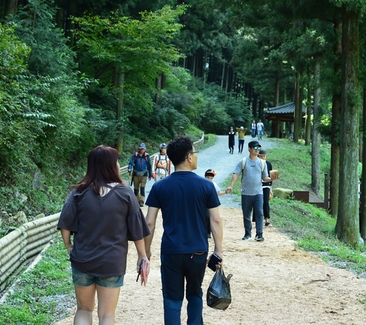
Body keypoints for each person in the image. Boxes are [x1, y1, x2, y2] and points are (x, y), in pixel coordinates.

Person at [57, 145, 151, 325]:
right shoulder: (125, 193)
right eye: (116, 161)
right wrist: (142, 256)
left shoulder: (79, 192)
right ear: (110, 165)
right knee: (107, 315)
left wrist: (68, 245)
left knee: (84, 309)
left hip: (82, 260)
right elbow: (137, 228)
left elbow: (65, 223)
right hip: (111, 262)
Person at [144, 136, 224, 325]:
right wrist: (218, 251)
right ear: (189, 157)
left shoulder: (159, 186)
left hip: (171, 251)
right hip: (197, 251)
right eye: (194, 154)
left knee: (172, 298)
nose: (196, 157)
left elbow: (149, 223)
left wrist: (146, 251)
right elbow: (216, 220)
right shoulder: (206, 186)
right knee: (195, 293)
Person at [226, 140, 274, 241]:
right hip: (246, 193)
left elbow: (265, 177)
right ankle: (247, 233)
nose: (257, 150)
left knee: (259, 213)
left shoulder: (262, 163)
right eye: (255, 148)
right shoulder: (243, 162)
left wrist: (271, 179)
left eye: (258, 148)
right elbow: (236, 173)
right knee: (246, 214)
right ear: (249, 149)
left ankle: (259, 234)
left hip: (258, 192)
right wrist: (231, 185)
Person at [258, 149, 273, 226]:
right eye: (261, 156)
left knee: (266, 202)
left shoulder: (268, 164)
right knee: (257, 203)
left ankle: (267, 220)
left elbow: (271, 177)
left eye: (264, 156)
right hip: (257, 185)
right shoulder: (256, 164)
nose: (263, 157)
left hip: (266, 185)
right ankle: (257, 220)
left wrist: (271, 188)